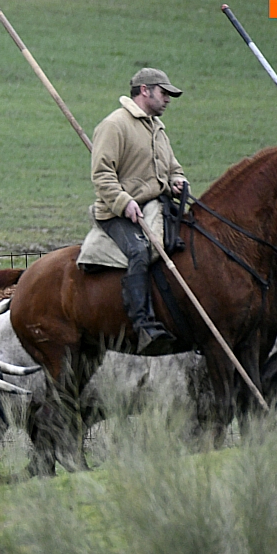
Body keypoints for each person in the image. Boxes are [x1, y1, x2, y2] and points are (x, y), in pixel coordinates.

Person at [90, 67, 189, 356]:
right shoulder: (115, 125)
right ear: (145, 91)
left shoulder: (157, 127)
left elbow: (172, 168)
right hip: (117, 213)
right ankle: (144, 326)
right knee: (139, 250)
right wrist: (124, 202)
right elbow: (102, 176)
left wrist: (177, 181)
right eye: (164, 92)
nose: (168, 99)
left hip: (156, 206)